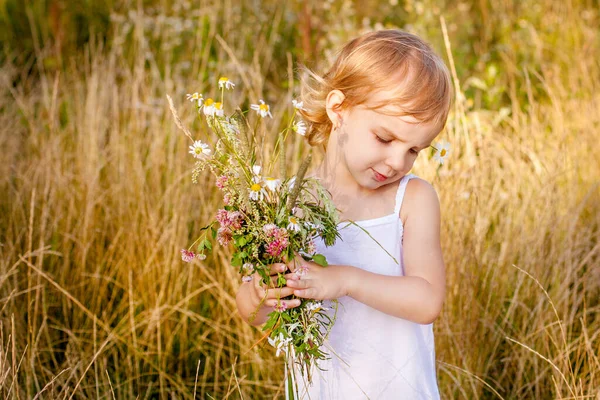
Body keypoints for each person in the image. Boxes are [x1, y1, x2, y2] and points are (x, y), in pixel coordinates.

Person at [236, 29, 452, 399]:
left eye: (415, 150)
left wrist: (345, 280)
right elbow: (258, 317)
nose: (398, 161)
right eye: (385, 138)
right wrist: (262, 291)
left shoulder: (411, 199)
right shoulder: (283, 203)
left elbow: (427, 300)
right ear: (338, 109)